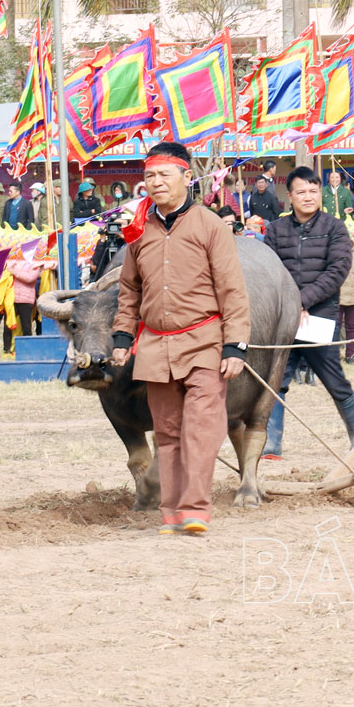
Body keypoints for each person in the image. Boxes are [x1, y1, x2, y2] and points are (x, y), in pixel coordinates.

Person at [110, 141, 251, 536]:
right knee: (168, 431)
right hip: (156, 344)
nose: (155, 183)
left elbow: (233, 289)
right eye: (149, 176)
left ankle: (195, 509)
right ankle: (171, 514)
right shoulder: (138, 230)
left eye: (164, 175)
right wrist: (122, 337)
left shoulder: (209, 225)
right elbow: (129, 291)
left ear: (187, 178)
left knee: (201, 428)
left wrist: (235, 344)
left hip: (204, 340)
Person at [263, 167, 354, 458]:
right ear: (290, 197)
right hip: (283, 317)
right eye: (301, 192)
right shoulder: (275, 230)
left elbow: (337, 272)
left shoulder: (335, 227)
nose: (307, 197)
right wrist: (290, 307)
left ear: (320, 193)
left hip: (320, 315)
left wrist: (303, 302)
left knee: (333, 378)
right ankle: (271, 443)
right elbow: (269, 272)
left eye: (313, 191)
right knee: (276, 379)